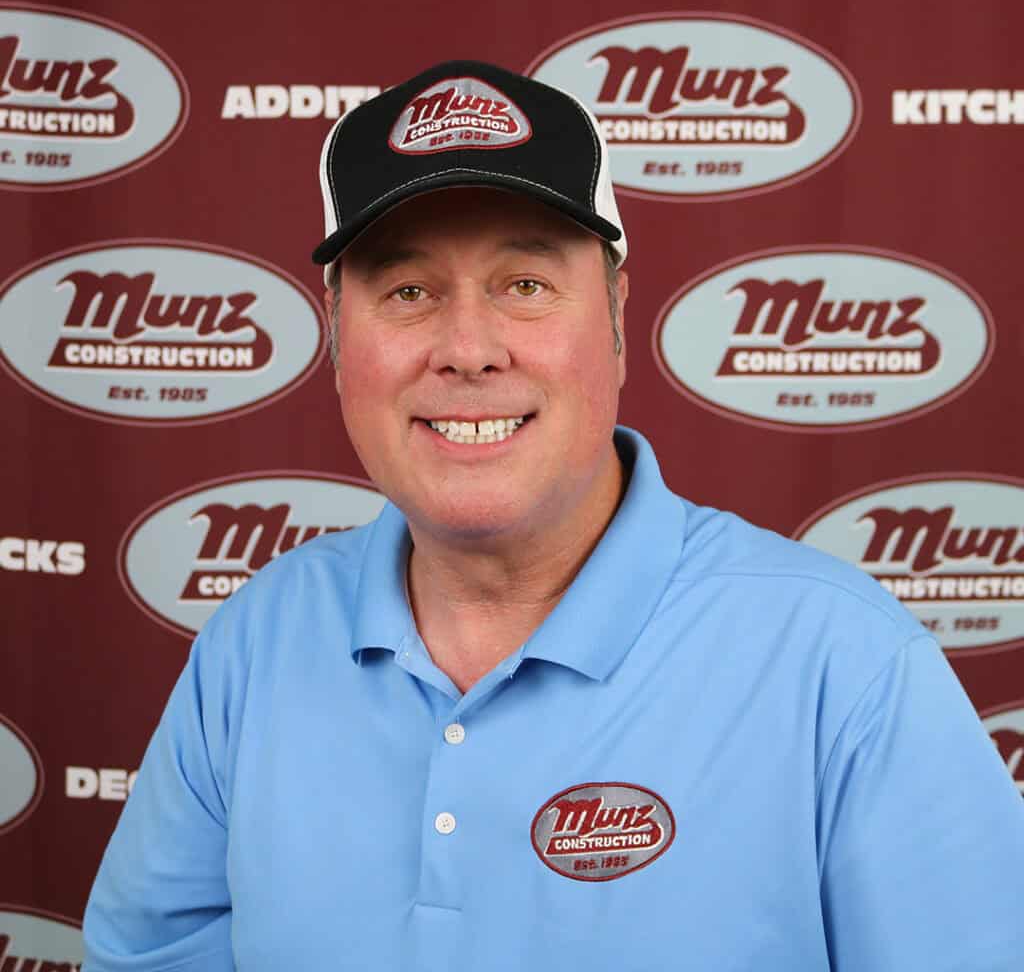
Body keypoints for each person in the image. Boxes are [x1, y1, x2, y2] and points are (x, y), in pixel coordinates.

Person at [83, 60, 1024, 971]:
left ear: (615, 317)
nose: (467, 348)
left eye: (525, 286)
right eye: (407, 292)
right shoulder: (256, 641)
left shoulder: (846, 667)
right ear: (337, 339)